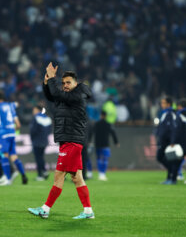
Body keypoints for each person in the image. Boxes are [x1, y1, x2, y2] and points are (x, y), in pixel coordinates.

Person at [28, 62, 94, 219]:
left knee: (59, 176)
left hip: (72, 141)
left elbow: (57, 94)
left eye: (68, 82)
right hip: (69, 141)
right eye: (63, 83)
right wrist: (46, 82)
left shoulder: (79, 94)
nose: (65, 85)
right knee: (77, 178)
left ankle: (45, 209)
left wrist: (52, 79)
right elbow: (52, 95)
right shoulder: (66, 97)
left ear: (76, 83)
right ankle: (88, 211)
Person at [0, 91, 28, 186]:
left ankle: (8, 179)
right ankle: (23, 175)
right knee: (14, 156)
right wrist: (11, 130)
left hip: (3, 134)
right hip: (12, 134)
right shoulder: (11, 106)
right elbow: (18, 124)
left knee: (4, 155)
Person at [89, 111, 119, 181]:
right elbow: (113, 133)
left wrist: (89, 141)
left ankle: (100, 174)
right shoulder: (108, 124)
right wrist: (116, 142)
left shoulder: (96, 124)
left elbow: (91, 133)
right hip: (105, 145)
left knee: (99, 159)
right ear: (106, 116)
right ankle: (103, 174)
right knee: (105, 159)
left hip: (98, 144)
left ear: (101, 115)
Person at [155, 97, 176, 184]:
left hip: (168, 141)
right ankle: (170, 176)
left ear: (168, 104)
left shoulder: (171, 114)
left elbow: (172, 129)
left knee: (164, 158)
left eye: (163, 103)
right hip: (163, 140)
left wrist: (172, 141)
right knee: (163, 158)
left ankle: (172, 176)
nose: (161, 104)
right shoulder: (164, 113)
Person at [30, 105, 52, 181]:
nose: (33, 111)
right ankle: (44, 171)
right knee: (41, 157)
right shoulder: (47, 118)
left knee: (38, 158)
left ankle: (40, 175)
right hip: (45, 141)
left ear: (37, 109)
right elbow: (49, 131)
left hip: (37, 141)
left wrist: (32, 139)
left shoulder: (36, 118)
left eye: (34, 110)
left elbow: (33, 131)